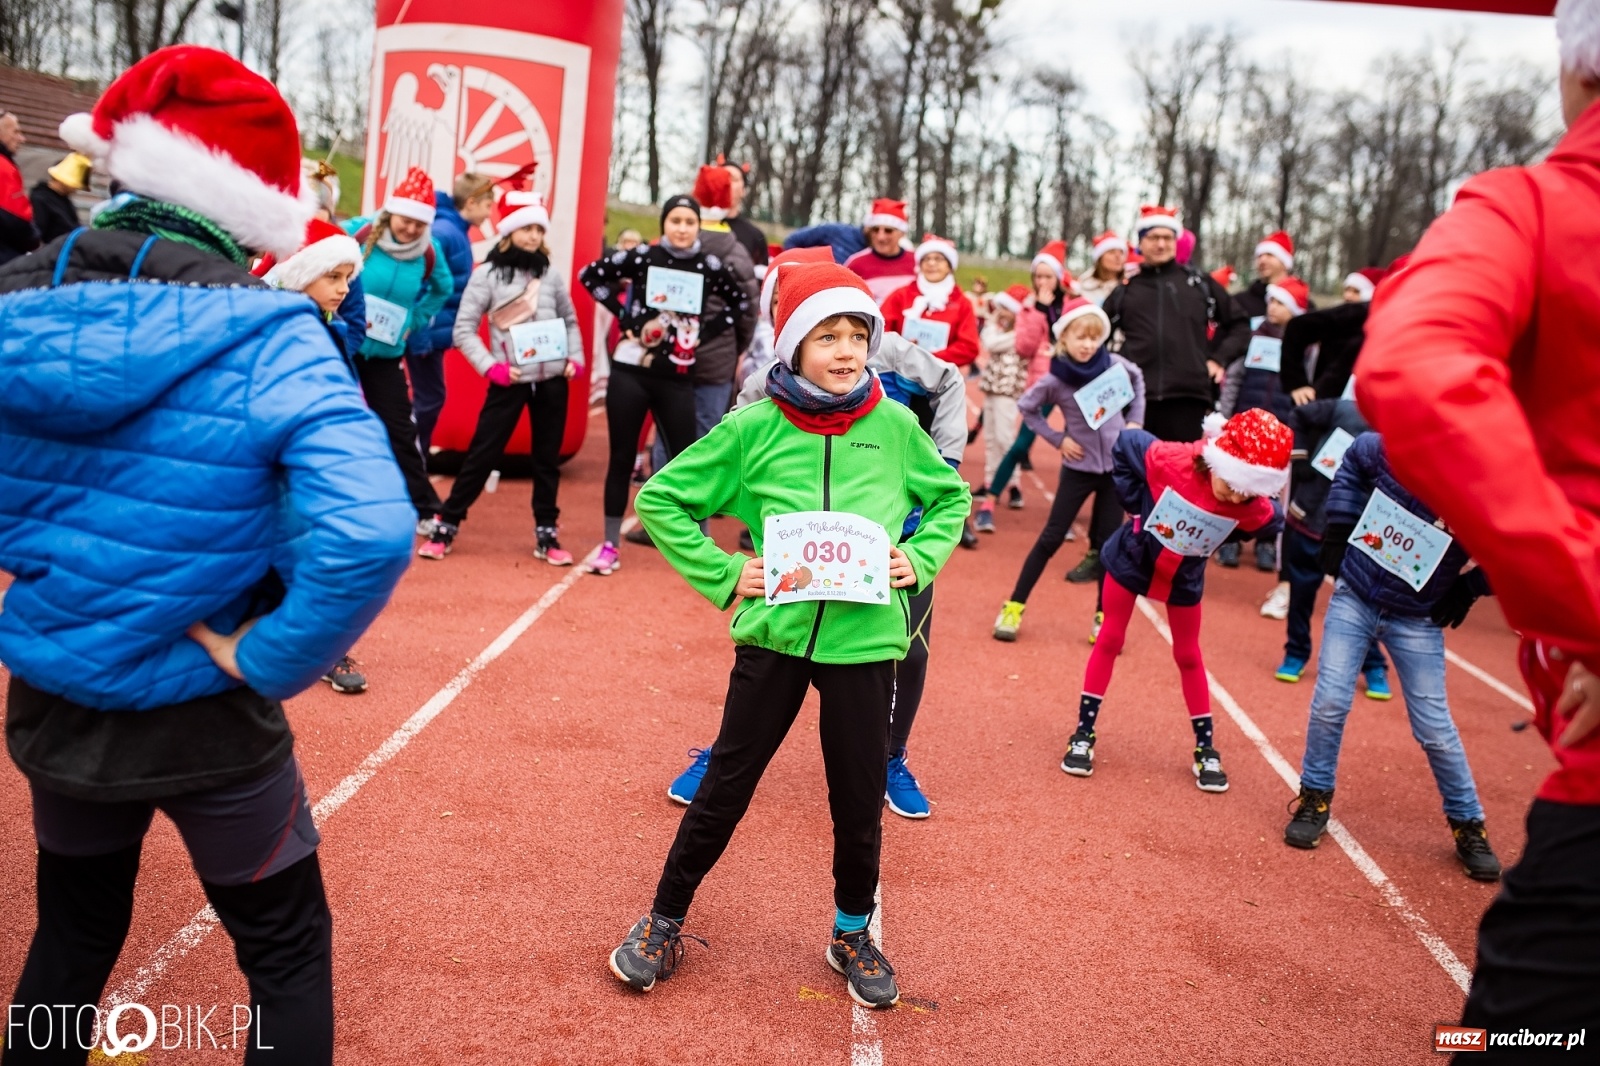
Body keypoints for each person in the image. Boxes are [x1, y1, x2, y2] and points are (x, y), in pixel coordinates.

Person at [0, 46, 415, 1063]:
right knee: (283, 953)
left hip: (60, 694)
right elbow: (370, 526)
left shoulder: (10, 297)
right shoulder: (275, 333)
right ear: (255, 202)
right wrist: (270, 656)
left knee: (73, 936)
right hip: (210, 708)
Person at [607, 262, 967, 1008]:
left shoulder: (896, 426)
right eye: (827, 335)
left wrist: (920, 555)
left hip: (864, 644)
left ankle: (850, 932)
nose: (845, 351)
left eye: (857, 335)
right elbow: (667, 497)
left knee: (856, 794)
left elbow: (951, 496)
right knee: (727, 783)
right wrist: (721, 571)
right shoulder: (753, 428)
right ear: (796, 344)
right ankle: (663, 920)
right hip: (774, 638)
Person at [1359, 0, 1600, 1031]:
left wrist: (1582, 598)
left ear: (1576, 66)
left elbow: (1412, 368)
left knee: (1509, 1029)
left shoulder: (1532, 207)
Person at [667, 247, 970, 821]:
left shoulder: (890, 354)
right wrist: (745, 550)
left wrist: (939, 472)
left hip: (891, 540)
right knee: (764, 657)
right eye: (785, 301)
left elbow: (952, 386)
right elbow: (741, 467)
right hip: (800, 550)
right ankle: (724, 753)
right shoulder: (762, 385)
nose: (836, 340)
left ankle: (891, 757)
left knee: (908, 647)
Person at [1283, 432, 1501, 881]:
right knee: (1329, 702)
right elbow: (1355, 454)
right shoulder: (1405, 446)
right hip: (1355, 597)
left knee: (1435, 728)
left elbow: (1519, 553)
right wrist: (1340, 526)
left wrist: (1470, 588)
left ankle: (1468, 824)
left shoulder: (1488, 488)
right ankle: (1314, 798)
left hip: (1416, 619)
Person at [1060, 409, 1289, 791]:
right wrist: (1137, 506)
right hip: (1133, 558)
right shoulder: (1172, 460)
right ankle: (1082, 733)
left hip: (1184, 576)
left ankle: (1205, 748)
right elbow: (1126, 444)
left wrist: (1223, 534)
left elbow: (1272, 521)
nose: (1234, 495)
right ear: (1217, 459)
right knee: (1111, 638)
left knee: (1188, 654)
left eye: (1245, 491)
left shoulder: (1251, 504)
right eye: (1230, 484)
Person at [578, 193, 752, 576]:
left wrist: (703, 334)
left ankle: (700, 544)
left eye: (690, 222)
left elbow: (740, 303)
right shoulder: (643, 255)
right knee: (623, 457)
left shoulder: (709, 264)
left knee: (689, 458)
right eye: (675, 221)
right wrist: (627, 319)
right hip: (631, 371)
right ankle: (610, 545)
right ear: (664, 225)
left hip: (677, 376)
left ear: (698, 227)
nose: (683, 228)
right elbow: (590, 276)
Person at [418, 191, 583, 566]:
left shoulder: (551, 275)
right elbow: (463, 330)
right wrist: (491, 366)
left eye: (538, 230)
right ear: (508, 232)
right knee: (481, 455)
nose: (533, 237)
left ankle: (547, 532)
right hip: (510, 380)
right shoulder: (486, 275)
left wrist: (574, 357)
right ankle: (447, 523)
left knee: (547, 460)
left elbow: (570, 321)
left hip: (553, 380)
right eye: (526, 228)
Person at [993, 298, 1146, 644]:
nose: (1087, 344)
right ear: (1064, 339)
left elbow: (1139, 383)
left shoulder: (1117, 366)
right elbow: (1027, 408)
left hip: (1116, 471)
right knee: (1051, 538)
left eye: (1094, 338)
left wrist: (1135, 423)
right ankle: (1013, 606)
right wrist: (1057, 438)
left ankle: (1103, 617)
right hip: (1078, 468)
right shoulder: (1055, 380)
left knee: (1108, 545)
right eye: (1080, 337)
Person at [346, 166, 454, 530]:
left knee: (400, 430)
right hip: (344, 343)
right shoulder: (359, 232)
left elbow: (443, 289)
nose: (410, 229)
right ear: (391, 213)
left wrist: (414, 320)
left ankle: (423, 509)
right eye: (405, 221)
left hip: (387, 354)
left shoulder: (429, 252)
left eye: (418, 225)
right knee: (332, 419)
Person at [1271, 397, 1389, 700]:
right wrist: (1300, 458)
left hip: (1359, 533)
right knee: (1300, 593)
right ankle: (1296, 653)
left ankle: (1374, 665)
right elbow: (1297, 413)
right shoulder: (1346, 408)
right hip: (1310, 516)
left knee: (1363, 602)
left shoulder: (1403, 434)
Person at [1103, 206, 1247, 443]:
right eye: (1153, 237)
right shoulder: (1126, 290)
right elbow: (1098, 332)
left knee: (1178, 476)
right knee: (1135, 474)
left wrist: (1218, 359)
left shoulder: (1199, 283)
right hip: (1136, 399)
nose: (1161, 244)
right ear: (1141, 241)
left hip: (1188, 398)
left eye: (1167, 237)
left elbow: (1240, 324)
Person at [1217, 276, 1308, 574]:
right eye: (1271, 300)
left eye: (1281, 302)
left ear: (1295, 310)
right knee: (1236, 482)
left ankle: (1267, 541)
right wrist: (1227, 415)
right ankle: (1230, 538)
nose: (1272, 307)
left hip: (1282, 430)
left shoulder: (1307, 347)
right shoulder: (1254, 336)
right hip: (1246, 424)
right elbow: (1235, 378)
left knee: (1270, 488)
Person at [406, 171, 492, 456]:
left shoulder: (455, 231)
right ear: (471, 202)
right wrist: (419, 334)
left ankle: (412, 458)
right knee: (430, 398)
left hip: (431, 333)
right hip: (425, 334)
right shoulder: (446, 232)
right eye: (488, 205)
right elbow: (420, 280)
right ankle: (410, 457)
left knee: (430, 397)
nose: (490, 213)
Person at [982, 243, 1070, 514]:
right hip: (1045, 382)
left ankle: (1067, 513)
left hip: (1076, 382)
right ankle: (991, 500)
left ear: (1058, 277)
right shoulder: (1030, 311)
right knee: (1022, 442)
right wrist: (1041, 310)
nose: (1043, 282)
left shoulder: (1072, 305)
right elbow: (1025, 347)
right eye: (1038, 276)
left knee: (1082, 446)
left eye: (1048, 276)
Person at [1278, 266, 1388, 407]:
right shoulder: (1350, 315)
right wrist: (1296, 383)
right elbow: (1298, 326)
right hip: (1326, 407)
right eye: (1347, 290)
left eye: (1356, 291)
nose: (1348, 296)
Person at [972, 284, 1029, 534]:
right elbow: (986, 339)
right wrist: (997, 320)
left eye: (1007, 309)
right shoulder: (1003, 330)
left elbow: (992, 344)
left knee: (1006, 440)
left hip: (1008, 392)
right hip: (992, 388)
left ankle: (1014, 485)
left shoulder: (1021, 334)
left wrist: (1000, 325)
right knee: (992, 440)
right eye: (1000, 309)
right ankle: (990, 480)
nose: (1002, 313)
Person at [786, 197, 916, 301]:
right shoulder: (843, 241)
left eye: (888, 231)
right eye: (875, 230)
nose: (881, 236)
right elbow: (793, 240)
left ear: (902, 233)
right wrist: (807, 272)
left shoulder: (915, 261)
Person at [879, 234, 980, 367]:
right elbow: (881, 331)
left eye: (938, 259)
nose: (931, 263)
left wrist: (930, 358)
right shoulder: (900, 295)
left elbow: (969, 347)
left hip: (941, 378)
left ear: (950, 266)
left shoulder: (962, 303)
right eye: (926, 259)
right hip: (897, 372)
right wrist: (901, 350)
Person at [0, 109, 40, 265]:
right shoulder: (4, 168)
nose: (21, 139)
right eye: (15, 132)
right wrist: (34, 238)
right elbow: (18, 221)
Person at [717, 154, 769, 269]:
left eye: (734, 179)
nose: (727, 183)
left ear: (743, 190)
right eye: (722, 177)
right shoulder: (692, 226)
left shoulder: (755, 236)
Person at [30, 153, 91, 244]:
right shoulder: (41, 199)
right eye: (75, 185)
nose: (75, 190)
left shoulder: (64, 200)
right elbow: (38, 234)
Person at [1077, 231, 1127, 306]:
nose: (1118, 256)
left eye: (1121, 252)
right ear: (1100, 259)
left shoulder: (1130, 287)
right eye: (1111, 252)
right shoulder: (1083, 289)